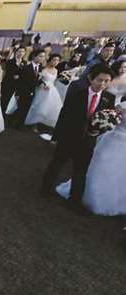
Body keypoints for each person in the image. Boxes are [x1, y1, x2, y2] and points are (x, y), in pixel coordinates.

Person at [41, 64, 116, 214]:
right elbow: (64, 115)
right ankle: (45, 189)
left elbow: (108, 119)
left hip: (88, 140)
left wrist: (98, 130)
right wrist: (56, 136)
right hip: (69, 136)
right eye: (99, 80)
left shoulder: (109, 98)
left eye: (106, 81)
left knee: (80, 171)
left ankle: (74, 201)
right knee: (57, 162)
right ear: (90, 78)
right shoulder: (77, 93)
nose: (102, 84)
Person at [55, 102, 126, 215]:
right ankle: (85, 195)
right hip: (113, 140)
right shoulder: (123, 105)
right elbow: (109, 116)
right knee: (100, 167)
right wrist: (108, 120)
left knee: (119, 173)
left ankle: (111, 200)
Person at [24, 54, 64, 131]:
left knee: (47, 108)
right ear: (50, 60)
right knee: (38, 106)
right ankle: (33, 123)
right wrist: (42, 85)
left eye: (58, 60)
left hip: (51, 90)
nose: (56, 62)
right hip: (42, 89)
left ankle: (40, 122)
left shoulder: (56, 70)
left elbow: (54, 81)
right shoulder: (43, 69)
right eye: (54, 60)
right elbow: (37, 79)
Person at [13, 49, 46, 128]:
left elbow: (37, 79)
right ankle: (16, 124)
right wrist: (19, 93)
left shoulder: (40, 67)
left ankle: (20, 123)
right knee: (21, 108)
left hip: (33, 91)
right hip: (24, 91)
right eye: (40, 56)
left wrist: (42, 83)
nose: (42, 58)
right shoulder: (26, 67)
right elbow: (21, 81)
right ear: (34, 56)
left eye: (43, 57)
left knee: (26, 108)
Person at [1, 47, 26, 113]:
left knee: (14, 101)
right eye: (19, 51)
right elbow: (8, 72)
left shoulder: (25, 62)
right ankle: (2, 113)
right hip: (9, 84)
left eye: (23, 52)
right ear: (16, 52)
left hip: (18, 85)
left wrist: (20, 76)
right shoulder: (10, 61)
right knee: (5, 100)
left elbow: (24, 74)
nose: (21, 53)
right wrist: (13, 76)